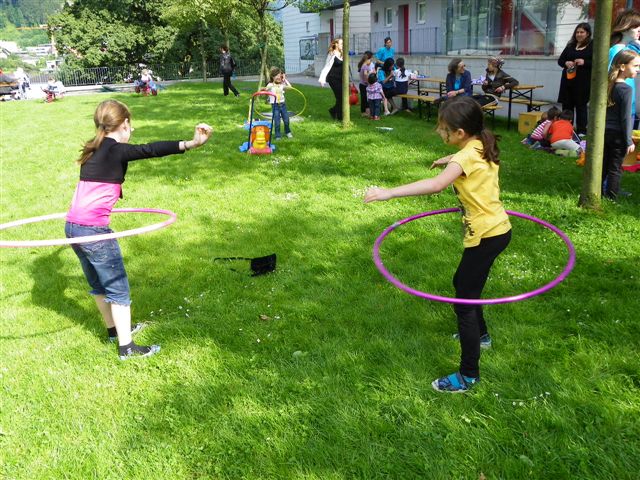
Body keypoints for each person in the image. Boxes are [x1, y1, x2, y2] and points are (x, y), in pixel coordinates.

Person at [364, 96, 511, 393]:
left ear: (460, 132)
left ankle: (468, 375)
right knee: (463, 284)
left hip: (486, 234)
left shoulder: (465, 157)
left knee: (464, 303)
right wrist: (451, 160)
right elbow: (468, 161)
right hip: (497, 229)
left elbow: (436, 185)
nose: (439, 132)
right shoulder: (480, 143)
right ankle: (482, 336)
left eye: (444, 129)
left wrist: (389, 192)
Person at [65, 99, 213, 359]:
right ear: (125, 124)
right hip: (93, 231)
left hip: (73, 228)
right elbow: (150, 150)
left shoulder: (92, 149)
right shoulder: (115, 150)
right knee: (118, 289)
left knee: (98, 285)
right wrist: (191, 143)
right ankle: (127, 348)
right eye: (130, 125)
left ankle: (115, 331)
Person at [603, 50, 640, 199]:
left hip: (605, 132)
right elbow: (625, 118)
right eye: (635, 66)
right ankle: (611, 197)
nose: (638, 69)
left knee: (604, 165)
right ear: (623, 67)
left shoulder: (608, 86)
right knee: (615, 168)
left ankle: (597, 192)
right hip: (618, 135)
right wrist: (628, 140)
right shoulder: (626, 89)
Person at [557, 23, 593, 135]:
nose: (579, 34)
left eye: (582, 32)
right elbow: (560, 60)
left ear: (587, 33)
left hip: (582, 82)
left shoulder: (592, 46)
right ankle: (566, 128)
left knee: (581, 106)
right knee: (567, 105)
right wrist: (566, 63)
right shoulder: (571, 45)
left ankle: (581, 130)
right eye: (577, 32)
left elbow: (597, 63)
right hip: (567, 81)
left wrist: (584, 62)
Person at [319, 38, 344, 120]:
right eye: (341, 44)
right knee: (340, 98)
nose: (343, 45)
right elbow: (327, 66)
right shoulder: (332, 54)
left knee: (342, 97)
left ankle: (333, 111)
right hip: (333, 79)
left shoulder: (342, 54)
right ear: (336, 44)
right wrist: (322, 79)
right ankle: (340, 118)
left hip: (340, 79)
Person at [264, 67, 293, 139]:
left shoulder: (281, 85)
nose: (278, 77)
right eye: (276, 75)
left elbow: (290, 87)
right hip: (275, 106)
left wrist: (285, 79)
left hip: (283, 105)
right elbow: (265, 89)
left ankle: (288, 132)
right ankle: (277, 135)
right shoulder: (270, 85)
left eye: (280, 75)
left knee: (286, 120)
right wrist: (265, 89)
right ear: (272, 77)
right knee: (277, 121)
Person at [358, 51, 375, 117]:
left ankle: (368, 111)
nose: (371, 60)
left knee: (368, 98)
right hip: (364, 84)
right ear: (368, 59)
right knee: (364, 98)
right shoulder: (364, 66)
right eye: (370, 59)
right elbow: (365, 76)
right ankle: (363, 112)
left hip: (368, 84)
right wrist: (368, 82)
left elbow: (373, 71)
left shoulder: (370, 64)